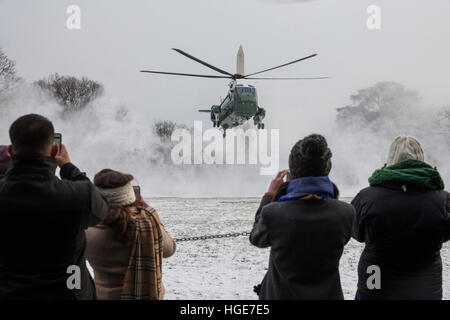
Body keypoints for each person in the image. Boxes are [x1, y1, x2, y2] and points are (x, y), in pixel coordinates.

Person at [0, 114, 109, 300]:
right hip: (68, 292)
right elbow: (101, 208)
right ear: (54, 150)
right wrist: (67, 166)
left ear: (10, 150)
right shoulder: (80, 195)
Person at [250, 134, 355, 300]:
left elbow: (256, 238)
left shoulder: (273, 213)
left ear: (292, 171)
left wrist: (269, 195)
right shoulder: (346, 213)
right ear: (327, 168)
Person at [352, 136, 450, 300]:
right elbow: (446, 234)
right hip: (424, 285)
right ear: (420, 157)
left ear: (391, 158)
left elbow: (357, 233)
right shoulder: (443, 200)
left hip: (375, 279)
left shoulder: (367, 197)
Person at [86, 169, 176, 300]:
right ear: (130, 195)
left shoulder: (87, 230)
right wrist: (151, 214)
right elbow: (170, 249)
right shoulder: (147, 224)